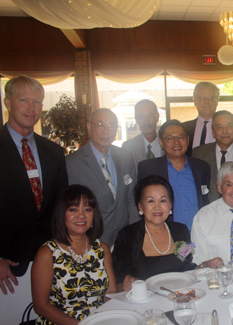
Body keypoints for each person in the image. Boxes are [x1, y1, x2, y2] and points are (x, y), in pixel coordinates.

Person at [0, 75, 67, 325]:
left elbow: (61, 205)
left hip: (51, 259)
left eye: (38, 102)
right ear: (7, 102)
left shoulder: (53, 151)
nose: (32, 109)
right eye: (24, 100)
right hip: (8, 267)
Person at [31, 185, 116, 325]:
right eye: (73, 209)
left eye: (88, 209)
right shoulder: (47, 253)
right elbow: (40, 306)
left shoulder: (102, 249)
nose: (81, 216)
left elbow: (110, 293)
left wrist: (107, 321)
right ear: (61, 214)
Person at [112, 175, 221, 291]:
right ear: (140, 206)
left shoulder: (180, 231)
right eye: (150, 201)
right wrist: (126, 284)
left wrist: (206, 265)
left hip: (181, 296)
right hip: (145, 303)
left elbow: (189, 269)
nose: (157, 207)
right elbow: (117, 283)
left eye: (163, 200)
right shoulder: (127, 236)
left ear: (170, 205)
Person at [66, 108, 140, 246]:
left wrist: (135, 231)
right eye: (100, 125)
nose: (106, 131)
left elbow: (131, 198)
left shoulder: (126, 158)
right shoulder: (72, 163)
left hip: (125, 239)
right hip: (92, 240)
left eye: (111, 125)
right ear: (89, 127)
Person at [138, 120, 211, 232]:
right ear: (161, 142)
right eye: (170, 138)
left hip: (198, 234)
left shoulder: (202, 167)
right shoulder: (148, 169)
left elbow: (205, 201)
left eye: (181, 137)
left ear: (187, 140)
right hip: (163, 235)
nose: (176, 142)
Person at [183, 81, 233, 156]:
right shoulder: (184, 129)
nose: (206, 102)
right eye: (201, 98)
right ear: (194, 101)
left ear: (217, 101)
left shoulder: (232, 129)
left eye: (211, 98)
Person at [192, 110, 233, 202]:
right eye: (219, 127)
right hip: (208, 210)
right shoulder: (198, 154)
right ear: (213, 132)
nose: (225, 131)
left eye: (229, 126)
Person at [122, 99, 164, 166]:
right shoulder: (128, 147)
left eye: (150, 116)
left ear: (157, 117)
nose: (146, 121)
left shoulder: (168, 143)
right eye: (141, 117)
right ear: (136, 120)